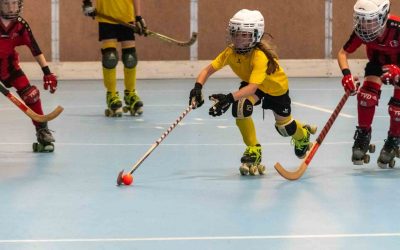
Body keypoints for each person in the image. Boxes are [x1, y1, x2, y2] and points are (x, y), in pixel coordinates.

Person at [188, 9, 316, 175]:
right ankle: (253, 149)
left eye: (244, 35)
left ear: (255, 35)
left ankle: (302, 135)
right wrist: (197, 87)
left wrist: (228, 98)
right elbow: (208, 70)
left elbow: (252, 87)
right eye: (235, 33)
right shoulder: (230, 52)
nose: (238, 39)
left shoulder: (259, 56)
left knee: (284, 128)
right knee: (240, 107)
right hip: (254, 85)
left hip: (275, 88)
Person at [337, 0, 400, 168]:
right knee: (366, 96)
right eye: (360, 19)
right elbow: (343, 53)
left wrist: (398, 72)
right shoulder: (362, 31)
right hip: (377, 64)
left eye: (368, 20)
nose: (363, 25)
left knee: (397, 109)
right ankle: (363, 135)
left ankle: (394, 139)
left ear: (383, 17)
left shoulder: (397, 28)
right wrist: (347, 76)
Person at [0, 0, 58, 152]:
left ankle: (42, 132)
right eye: (6, 3)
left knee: (31, 95)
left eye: (14, 3)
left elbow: (35, 49)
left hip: (8, 67)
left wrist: (47, 72)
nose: (11, 8)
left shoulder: (20, 25)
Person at [82, 0, 145, 117]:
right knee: (109, 57)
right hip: (106, 18)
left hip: (126, 17)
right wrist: (87, 3)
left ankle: (130, 94)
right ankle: (111, 94)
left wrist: (138, 17)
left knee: (130, 58)